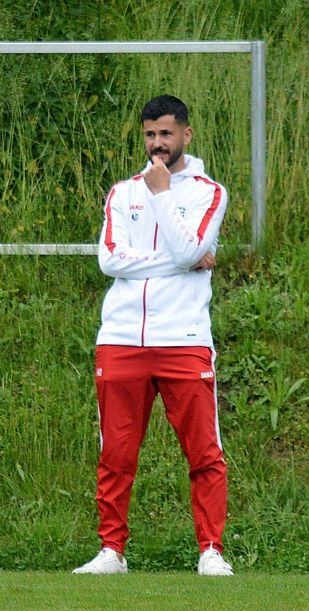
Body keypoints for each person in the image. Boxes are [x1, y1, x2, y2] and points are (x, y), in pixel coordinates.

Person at [73, 95, 233, 577]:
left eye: (166, 134)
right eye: (149, 135)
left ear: (186, 134)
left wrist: (163, 196)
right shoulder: (122, 192)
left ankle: (210, 551)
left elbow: (186, 247)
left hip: (183, 338)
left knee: (204, 450)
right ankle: (111, 552)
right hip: (121, 338)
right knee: (115, 452)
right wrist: (184, 259)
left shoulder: (209, 191)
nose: (157, 144)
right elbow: (109, 261)